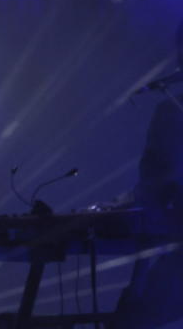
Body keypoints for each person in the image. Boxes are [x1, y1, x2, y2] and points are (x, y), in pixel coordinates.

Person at [111, 20, 183, 329]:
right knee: (133, 314)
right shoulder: (170, 114)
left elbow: (151, 191)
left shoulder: (170, 113)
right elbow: (152, 191)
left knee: (133, 314)